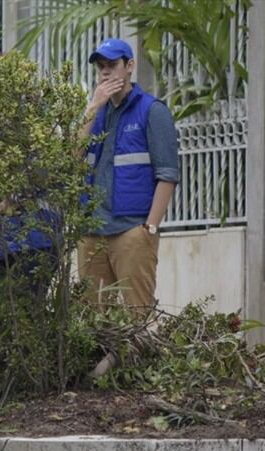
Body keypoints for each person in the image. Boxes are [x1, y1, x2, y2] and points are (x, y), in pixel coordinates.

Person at [78, 39, 179, 309]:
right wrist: (90, 110)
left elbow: (167, 174)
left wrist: (150, 229)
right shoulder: (95, 113)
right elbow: (70, 161)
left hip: (131, 233)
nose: (105, 72)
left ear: (130, 65)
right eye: (101, 67)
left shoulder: (152, 111)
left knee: (137, 316)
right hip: (91, 234)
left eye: (112, 65)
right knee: (92, 324)